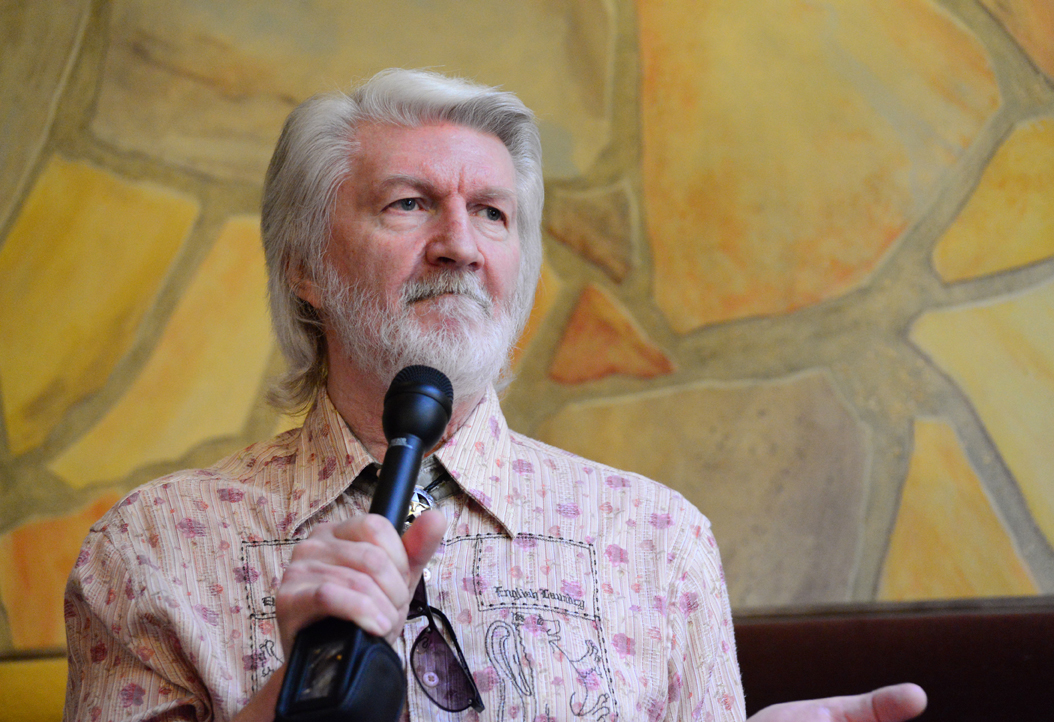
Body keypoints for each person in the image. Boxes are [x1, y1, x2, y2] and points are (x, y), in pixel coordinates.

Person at [63, 69, 926, 722]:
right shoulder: (151, 549)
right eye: (409, 204)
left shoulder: (660, 543)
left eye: (492, 213)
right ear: (304, 268)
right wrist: (294, 697)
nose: (460, 245)